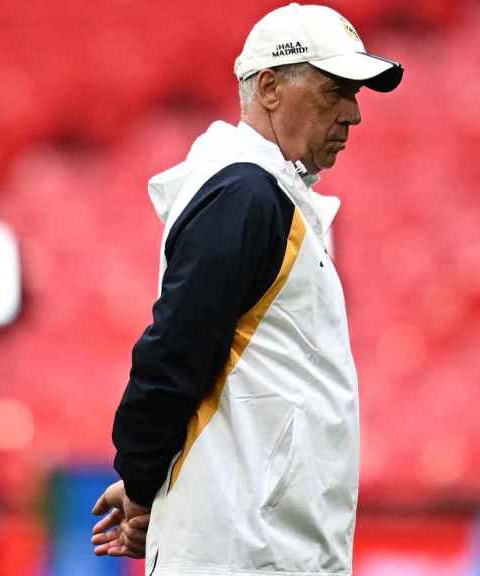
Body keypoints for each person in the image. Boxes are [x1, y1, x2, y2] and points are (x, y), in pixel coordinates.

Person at [89, 4, 403, 575]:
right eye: (336, 91)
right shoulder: (247, 196)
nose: (354, 114)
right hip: (248, 547)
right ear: (270, 87)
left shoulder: (255, 193)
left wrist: (146, 486)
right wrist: (140, 480)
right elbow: (173, 351)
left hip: (253, 539)